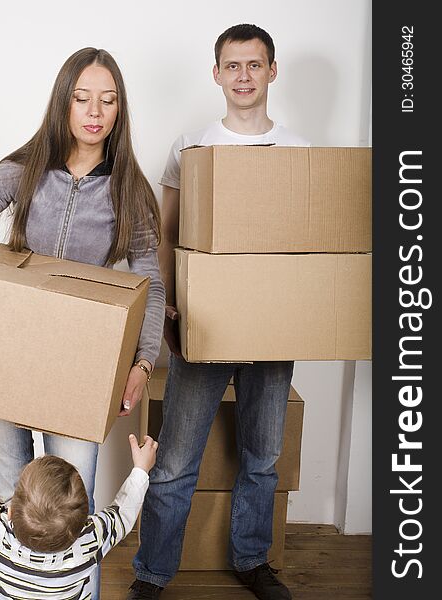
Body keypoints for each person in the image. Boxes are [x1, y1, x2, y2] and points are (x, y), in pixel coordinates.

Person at [0, 47, 165, 599]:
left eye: (108, 100)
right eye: (82, 98)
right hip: (5, 357)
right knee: (10, 500)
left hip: (82, 368)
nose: (94, 112)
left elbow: (152, 284)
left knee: (77, 516)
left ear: (120, 110)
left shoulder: (130, 191)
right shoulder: (21, 171)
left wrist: (143, 362)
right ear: (63, 102)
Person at [127, 24, 310, 600]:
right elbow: (167, 236)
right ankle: (153, 574)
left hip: (271, 332)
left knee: (262, 457)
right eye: (233, 66)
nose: (244, 77)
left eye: (255, 66)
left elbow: (308, 248)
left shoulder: (300, 153)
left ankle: (253, 561)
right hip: (203, 327)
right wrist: (171, 307)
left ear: (273, 71)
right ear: (216, 75)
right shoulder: (192, 148)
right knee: (177, 460)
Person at [0, 404, 158, 600]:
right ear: (84, 521)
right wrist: (140, 470)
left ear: (10, 511)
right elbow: (122, 515)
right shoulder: (89, 542)